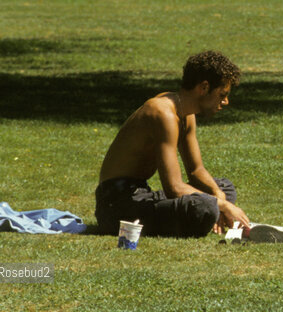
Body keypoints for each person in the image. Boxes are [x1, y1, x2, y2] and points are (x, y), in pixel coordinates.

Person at [95, 51, 253, 238]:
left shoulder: (186, 113)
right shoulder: (162, 113)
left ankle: (211, 213)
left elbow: (196, 171)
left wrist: (218, 195)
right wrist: (223, 206)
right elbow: (174, 188)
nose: (225, 102)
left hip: (141, 195)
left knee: (223, 187)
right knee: (205, 206)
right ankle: (209, 215)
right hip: (116, 206)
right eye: (222, 94)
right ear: (204, 87)